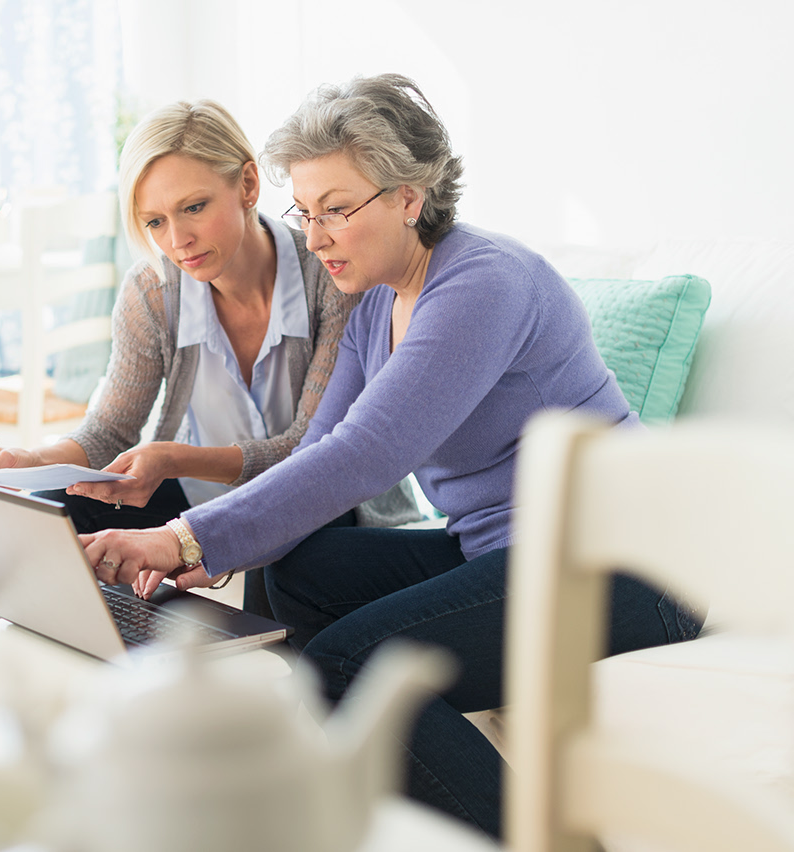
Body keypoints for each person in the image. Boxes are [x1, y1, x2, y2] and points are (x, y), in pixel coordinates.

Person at [77, 75, 702, 839]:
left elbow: (368, 452)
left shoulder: (484, 282)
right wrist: (201, 552)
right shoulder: (376, 303)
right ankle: (339, 794)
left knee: (348, 664)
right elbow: (316, 453)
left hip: (626, 562)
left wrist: (184, 538)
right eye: (306, 213)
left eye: (336, 210)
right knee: (297, 569)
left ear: (410, 196)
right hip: (501, 547)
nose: (315, 237)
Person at [0, 99, 417, 611]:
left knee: (283, 562)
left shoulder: (331, 274)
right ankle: (107, 652)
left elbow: (311, 452)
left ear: (247, 185)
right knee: (57, 508)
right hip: (197, 498)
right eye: (154, 222)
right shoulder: (153, 291)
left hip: (317, 504)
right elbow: (110, 431)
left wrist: (173, 458)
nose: (178, 240)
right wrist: (30, 460)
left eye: (194, 207)